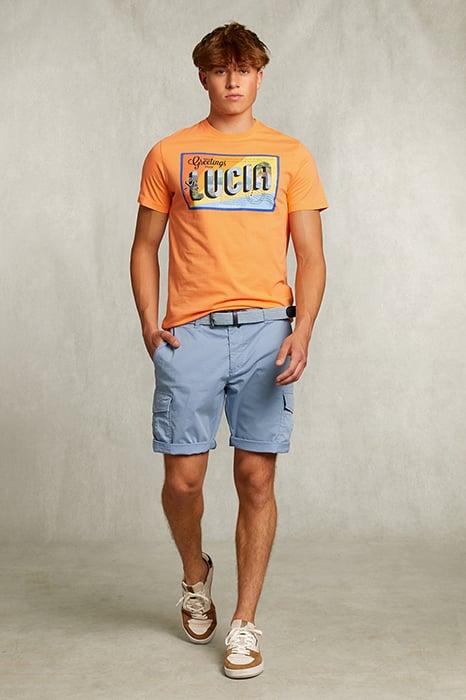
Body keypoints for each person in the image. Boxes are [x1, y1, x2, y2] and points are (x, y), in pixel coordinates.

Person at [130, 20, 329, 680]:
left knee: (255, 477)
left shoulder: (290, 154)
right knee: (182, 479)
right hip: (190, 332)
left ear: (260, 75)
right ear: (204, 77)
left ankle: (244, 620)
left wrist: (302, 329)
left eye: (244, 69)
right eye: (221, 70)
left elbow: (310, 256)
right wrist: (149, 324)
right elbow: (144, 247)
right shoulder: (169, 153)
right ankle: (196, 574)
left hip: (266, 331)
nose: (233, 80)